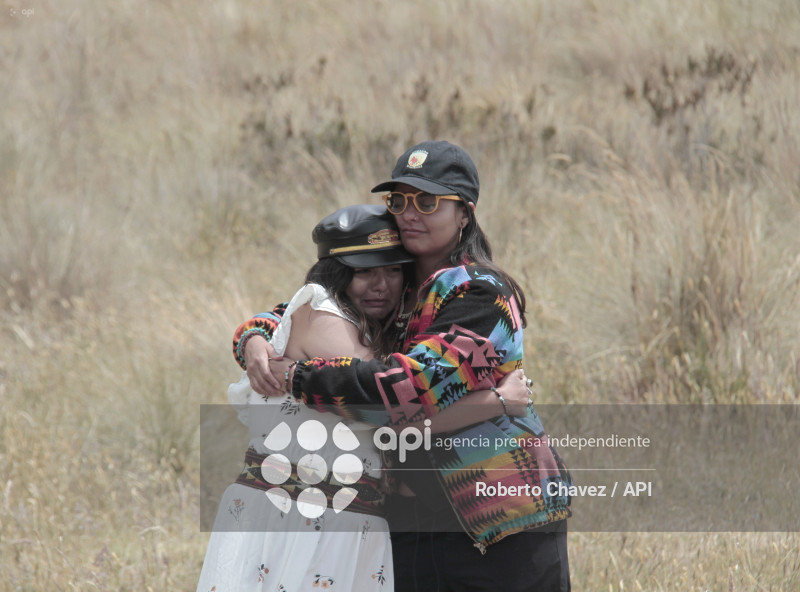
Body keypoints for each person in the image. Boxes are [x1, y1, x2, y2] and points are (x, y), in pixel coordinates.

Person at [237, 141, 573, 591]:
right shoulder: (394, 280)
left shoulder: (482, 295)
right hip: (406, 523)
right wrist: (255, 336)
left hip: (501, 518)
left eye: (428, 201)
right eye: (398, 201)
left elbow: (403, 391)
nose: (410, 213)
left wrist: (297, 376)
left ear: (464, 214)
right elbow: (308, 308)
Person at [200, 204, 532, 592]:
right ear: (336, 274)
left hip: (344, 519)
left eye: (393, 270)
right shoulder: (322, 311)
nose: (381, 285)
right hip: (293, 515)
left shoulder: (378, 327)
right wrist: (497, 402)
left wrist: (252, 333)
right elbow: (388, 410)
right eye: (364, 272)